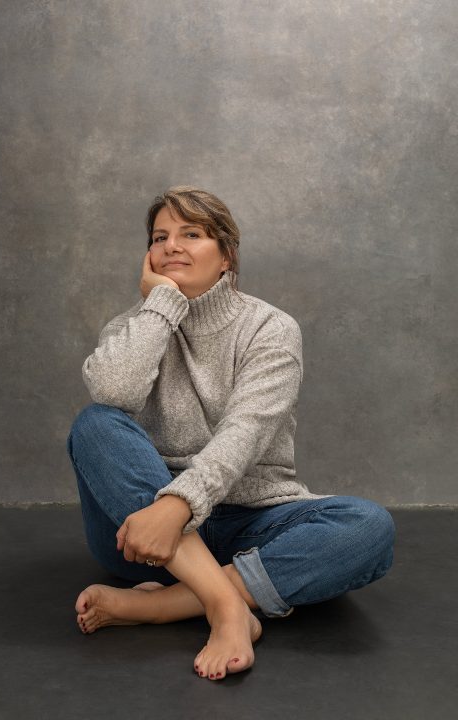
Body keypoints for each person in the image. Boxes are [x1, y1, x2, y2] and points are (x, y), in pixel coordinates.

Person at [66, 185, 395, 681]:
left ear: (227, 256)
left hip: (249, 521)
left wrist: (178, 506)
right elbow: (114, 392)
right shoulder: (134, 324)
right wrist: (161, 307)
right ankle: (226, 603)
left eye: (191, 233)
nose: (171, 246)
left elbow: (246, 432)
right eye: (160, 237)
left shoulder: (269, 327)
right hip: (147, 535)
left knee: (368, 527)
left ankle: (163, 606)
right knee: (95, 423)